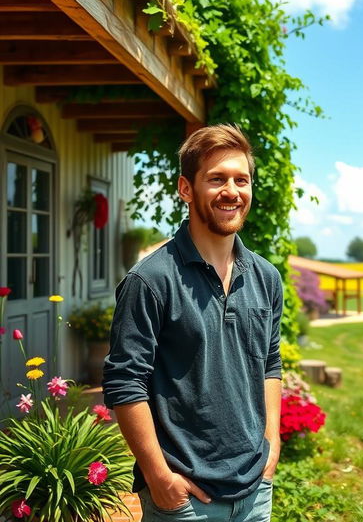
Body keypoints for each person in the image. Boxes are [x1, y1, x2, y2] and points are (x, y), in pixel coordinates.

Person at [103, 124, 282, 522]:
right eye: (216, 179)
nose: (232, 191)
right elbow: (124, 382)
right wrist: (158, 475)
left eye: (242, 179)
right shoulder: (150, 281)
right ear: (186, 189)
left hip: (256, 494)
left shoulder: (266, 277)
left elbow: (269, 362)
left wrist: (273, 443)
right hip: (185, 502)